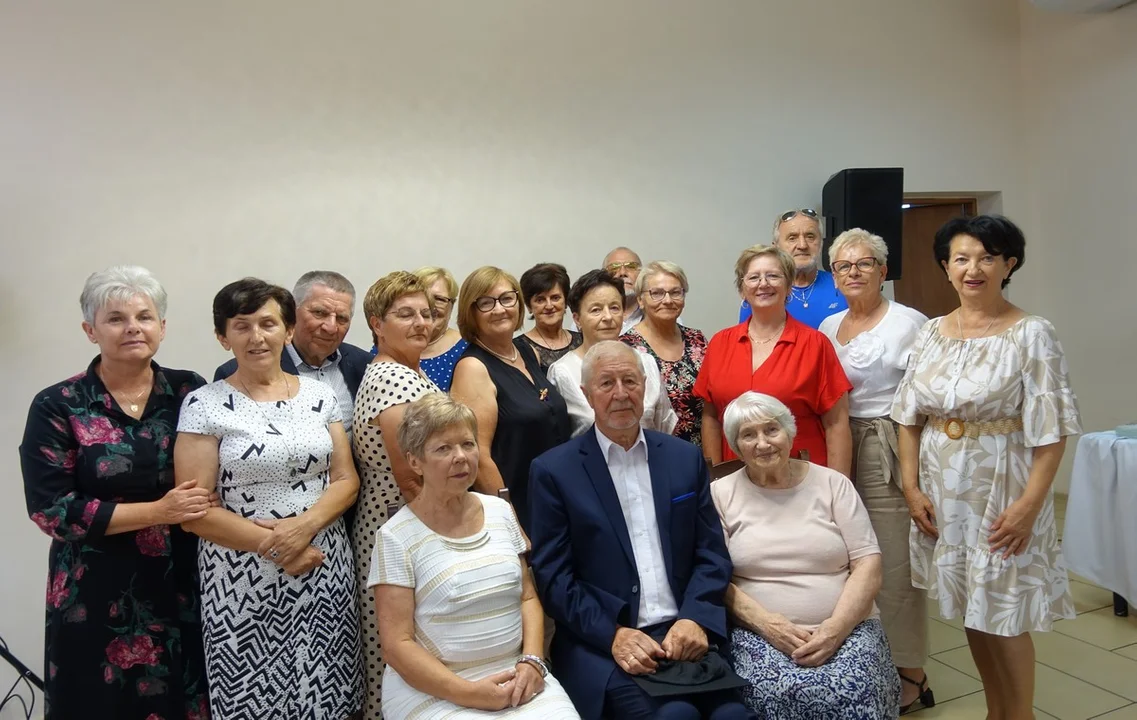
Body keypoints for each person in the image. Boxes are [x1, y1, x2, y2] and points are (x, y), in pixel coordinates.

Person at [892, 215, 1081, 720]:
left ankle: (1019, 714)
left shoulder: (1032, 333)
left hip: (1004, 489)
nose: (973, 269)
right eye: (961, 258)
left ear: (1008, 264)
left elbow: (1054, 429)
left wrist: (1029, 507)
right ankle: (997, 712)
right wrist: (911, 487)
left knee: (1004, 612)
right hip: (944, 492)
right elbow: (908, 417)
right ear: (946, 267)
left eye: (987, 258)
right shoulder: (930, 332)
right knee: (971, 607)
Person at [19, 266, 210, 720]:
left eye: (144, 317)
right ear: (90, 330)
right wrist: (160, 511)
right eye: (115, 318)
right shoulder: (58, 404)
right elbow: (53, 510)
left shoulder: (190, 391)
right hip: (94, 591)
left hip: (183, 583)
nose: (132, 328)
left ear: (162, 326)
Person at [529, 342, 751, 720]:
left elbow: (712, 553)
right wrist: (612, 634)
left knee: (732, 716)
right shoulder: (554, 471)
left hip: (685, 629)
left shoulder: (683, 458)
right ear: (586, 395)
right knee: (675, 716)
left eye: (630, 381)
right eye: (606, 383)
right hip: (605, 640)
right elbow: (554, 580)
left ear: (645, 387)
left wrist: (695, 617)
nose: (620, 393)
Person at [176, 278, 363, 719]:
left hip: (322, 564)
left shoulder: (319, 396)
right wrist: (279, 546)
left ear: (288, 330)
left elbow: (345, 479)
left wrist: (303, 529)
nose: (256, 337)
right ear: (223, 336)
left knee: (329, 694)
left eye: (268, 324)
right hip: (243, 575)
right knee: (253, 700)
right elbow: (195, 513)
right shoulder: (204, 404)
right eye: (241, 326)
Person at [369, 393, 581, 720]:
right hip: (434, 688)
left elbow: (527, 597)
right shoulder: (394, 537)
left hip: (516, 673)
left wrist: (533, 661)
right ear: (414, 462)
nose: (461, 457)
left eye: (468, 444)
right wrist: (469, 693)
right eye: (443, 448)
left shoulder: (501, 511)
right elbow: (397, 645)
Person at [712, 392, 899, 719]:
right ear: (736, 446)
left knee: (858, 687)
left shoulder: (834, 484)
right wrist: (767, 625)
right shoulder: (719, 494)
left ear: (789, 432)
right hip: (759, 632)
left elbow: (868, 563)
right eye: (748, 435)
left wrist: (835, 628)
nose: (763, 443)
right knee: (784, 690)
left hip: (849, 627)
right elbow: (715, 576)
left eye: (772, 430)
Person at [818, 228, 934, 713]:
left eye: (864, 263)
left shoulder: (910, 322)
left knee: (893, 560)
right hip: (839, 440)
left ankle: (912, 673)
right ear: (834, 276)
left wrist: (912, 478)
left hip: (890, 443)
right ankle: (870, 664)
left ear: (883, 271)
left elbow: (923, 400)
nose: (854, 272)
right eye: (843, 266)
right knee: (847, 556)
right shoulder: (829, 325)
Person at [351, 271, 441, 717]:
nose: (421, 323)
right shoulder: (393, 378)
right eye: (405, 314)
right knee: (400, 656)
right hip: (398, 527)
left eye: (426, 313)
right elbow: (410, 476)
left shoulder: (408, 371)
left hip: (406, 523)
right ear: (377, 324)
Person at [696, 245, 852, 475]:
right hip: (736, 478)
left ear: (788, 287)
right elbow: (711, 418)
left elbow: (836, 423)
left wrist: (838, 485)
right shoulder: (720, 343)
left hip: (801, 476)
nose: (763, 283)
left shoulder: (814, 344)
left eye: (773, 276)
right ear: (742, 289)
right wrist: (715, 477)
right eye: (754, 277)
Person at [449, 267, 571, 535]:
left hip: (556, 499)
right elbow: (479, 457)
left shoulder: (526, 352)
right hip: (520, 508)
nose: (499, 309)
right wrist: (512, 526)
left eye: (507, 298)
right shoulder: (473, 368)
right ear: (471, 312)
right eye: (486, 302)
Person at [213, 270, 370, 437]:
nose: (331, 327)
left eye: (341, 318)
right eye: (319, 313)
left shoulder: (364, 365)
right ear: (292, 313)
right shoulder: (232, 373)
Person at [548, 269, 677, 438]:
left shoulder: (646, 363)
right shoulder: (562, 372)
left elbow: (665, 426)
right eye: (596, 310)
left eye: (614, 308)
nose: (608, 317)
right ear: (577, 319)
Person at [620, 261, 708, 447]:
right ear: (640, 300)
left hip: (703, 448)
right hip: (654, 450)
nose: (667, 300)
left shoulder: (697, 340)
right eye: (657, 293)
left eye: (675, 292)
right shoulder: (626, 348)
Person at [739, 209, 847, 329]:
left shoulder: (843, 285)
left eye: (810, 237)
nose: (802, 245)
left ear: (821, 243)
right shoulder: (762, 293)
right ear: (776, 248)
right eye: (792, 238)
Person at [514, 262, 582, 373]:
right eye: (540, 300)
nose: (549, 306)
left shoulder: (583, 340)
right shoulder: (518, 349)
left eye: (555, 298)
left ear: (566, 301)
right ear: (529, 306)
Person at [415, 266, 468, 391]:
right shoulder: (388, 345)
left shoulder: (467, 351)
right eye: (423, 296)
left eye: (439, 299)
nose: (430, 305)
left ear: (451, 306)